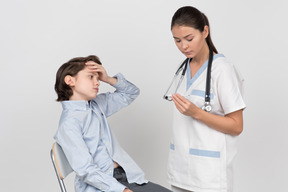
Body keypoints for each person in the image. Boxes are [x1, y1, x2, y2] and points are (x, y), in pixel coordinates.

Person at [54, 55, 171, 192]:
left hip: (127, 177)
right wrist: (121, 190)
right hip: (101, 187)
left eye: (98, 79)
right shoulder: (69, 124)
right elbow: (85, 170)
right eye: (91, 77)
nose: (97, 82)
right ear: (70, 80)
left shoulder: (97, 105)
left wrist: (108, 79)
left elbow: (131, 93)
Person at [165, 6, 246, 192]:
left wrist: (196, 113)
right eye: (177, 40)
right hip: (180, 172)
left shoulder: (222, 70)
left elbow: (236, 126)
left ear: (205, 31)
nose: (183, 46)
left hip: (209, 175)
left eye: (189, 39)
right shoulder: (183, 69)